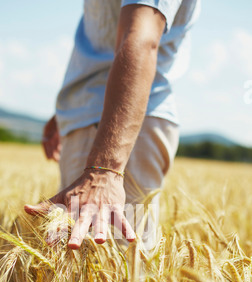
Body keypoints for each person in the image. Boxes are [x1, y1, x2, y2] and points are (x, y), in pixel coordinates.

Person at [24, 0, 201, 251]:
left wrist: (104, 170)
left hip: (122, 128)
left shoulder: (105, 165)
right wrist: (65, 113)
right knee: (80, 271)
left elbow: (143, 39)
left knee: (123, 273)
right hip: (90, 119)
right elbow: (104, 35)